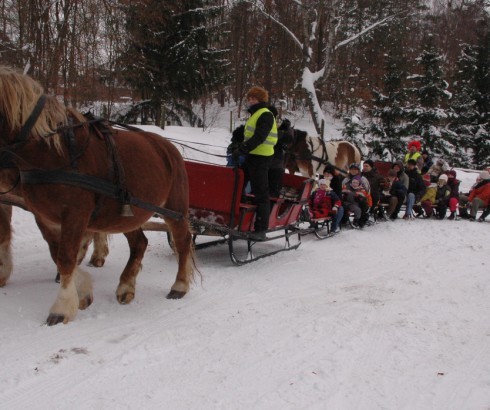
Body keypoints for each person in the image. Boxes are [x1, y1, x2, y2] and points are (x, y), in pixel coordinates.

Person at [232, 86, 278, 239]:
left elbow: (259, 136)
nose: (251, 101)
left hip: (262, 157)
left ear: (261, 100)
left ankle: (260, 229)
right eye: (249, 98)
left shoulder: (265, 114)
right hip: (251, 156)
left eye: (254, 98)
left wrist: (244, 148)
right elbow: (248, 135)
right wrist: (237, 145)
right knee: (238, 184)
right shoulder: (255, 114)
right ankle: (240, 219)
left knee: (260, 193)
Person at [267, 107, 294, 197]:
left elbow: (288, 139)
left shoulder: (271, 125)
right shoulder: (265, 126)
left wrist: (285, 129)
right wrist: (285, 129)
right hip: (270, 163)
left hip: (272, 163)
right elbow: (285, 138)